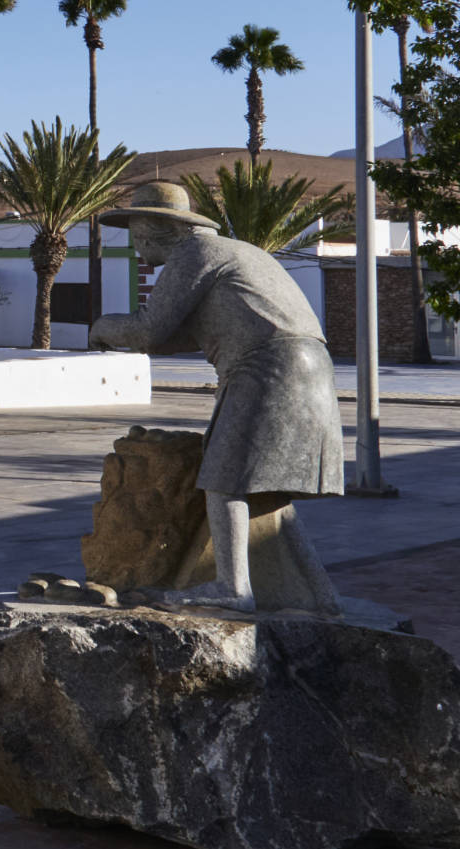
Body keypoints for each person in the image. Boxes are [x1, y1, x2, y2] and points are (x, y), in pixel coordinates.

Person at [90, 182, 343, 613]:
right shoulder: (234, 251)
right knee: (261, 487)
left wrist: (102, 327)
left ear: (155, 230)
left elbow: (151, 329)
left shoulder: (193, 254)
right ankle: (316, 594)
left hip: (268, 368)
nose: (137, 251)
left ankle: (232, 589)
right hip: (306, 366)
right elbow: (177, 336)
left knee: (224, 476)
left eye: (137, 238)